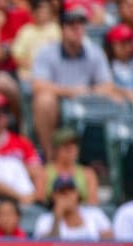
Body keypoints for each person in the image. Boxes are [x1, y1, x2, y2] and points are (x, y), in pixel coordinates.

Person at [31, 1, 119, 160]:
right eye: (71, 24)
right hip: (59, 102)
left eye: (80, 24)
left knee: (116, 98)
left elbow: (107, 85)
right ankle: (51, 158)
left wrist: (89, 93)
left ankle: (105, 160)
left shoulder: (94, 52)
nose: (77, 28)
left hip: (86, 102)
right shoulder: (47, 52)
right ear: (62, 29)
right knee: (44, 100)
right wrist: (70, 91)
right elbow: (38, 85)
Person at [33, 175, 113, 241]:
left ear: (77, 193)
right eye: (62, 192)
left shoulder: (95, 214)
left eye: (70, 190)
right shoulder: (45, 220)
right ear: (53, 196)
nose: (67, 195)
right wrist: (57, 218)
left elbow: (112, 242)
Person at [38, 128, 99, 205]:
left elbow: (93, 202)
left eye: (74, 145)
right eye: (66, 145)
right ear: (56, 149)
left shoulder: (88, 173)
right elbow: (40, 201)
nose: (71, 149)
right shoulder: (44, 173)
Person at [10, 0, 61, 85]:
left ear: (50, 12)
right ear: (32, 13)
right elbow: (17, 56)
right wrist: (36, 68)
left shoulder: (57, 30)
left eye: (44, 10)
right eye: (37, 10)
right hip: (28, 75)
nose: (40, 13)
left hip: (53, 74)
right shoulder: (25, 31)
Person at [104, 24, 133, 101]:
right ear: (112, 45)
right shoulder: (106, 67)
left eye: (129, 42)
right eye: (123, 43)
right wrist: (125, 93)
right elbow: (105, 87)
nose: (127, 47)